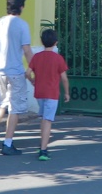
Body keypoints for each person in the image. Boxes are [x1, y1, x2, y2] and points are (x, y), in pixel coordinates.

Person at [0, 0, 34, 155]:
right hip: (15, 71)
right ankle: (7, 144)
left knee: (1, 104)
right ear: (21, 7)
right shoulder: (22, 25)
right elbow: (26, 50)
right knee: (14, 109)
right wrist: (32, 69)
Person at [27, 28, 71, 161]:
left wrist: (33, 81)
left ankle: (42, 144)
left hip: (39, 92)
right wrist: (67, 93)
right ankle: (43, 150)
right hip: (52, 93)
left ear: (42, 42)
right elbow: (64, 78)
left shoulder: (36, 57)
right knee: (48, 121)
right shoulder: (58, 59)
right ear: (55, 42)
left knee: (43, 119)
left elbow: (27, 73)